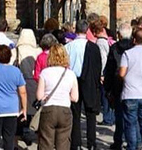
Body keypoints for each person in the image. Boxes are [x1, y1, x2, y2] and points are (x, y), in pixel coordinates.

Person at [66, 18, 102, 150]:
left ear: (76, 30)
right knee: (90, 113)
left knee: (75, 113)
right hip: (90, 82)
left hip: (73, 80)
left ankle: (75, 143)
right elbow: (98, 66)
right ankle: (91, 143)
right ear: (87, 30)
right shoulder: (94, 47)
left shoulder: (68, 47)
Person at [36, 44, 78, 150]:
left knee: (46, 142)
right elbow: (75, 98)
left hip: (48, 110)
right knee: (63, 143)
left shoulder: (45, 73)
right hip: (64, 110)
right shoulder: (70, 74)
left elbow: (39, 96)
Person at [104, 23, 135, 150]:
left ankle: (118, 141)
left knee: (119, 115)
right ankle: (133, 142)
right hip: (132, 85)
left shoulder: (114, 48)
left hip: (118, 84)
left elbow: (110, 70)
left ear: (119, 35)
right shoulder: (134, 48)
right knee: (132, 117)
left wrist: (107, 88)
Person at [91, 17, 115, 125]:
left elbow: (102, 59)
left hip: (104, 72)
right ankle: (110, 117)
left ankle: (108, 118)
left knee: (105, 96)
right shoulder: (105, 40)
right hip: (106, 71)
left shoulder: (100, 42)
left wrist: (101, 74)